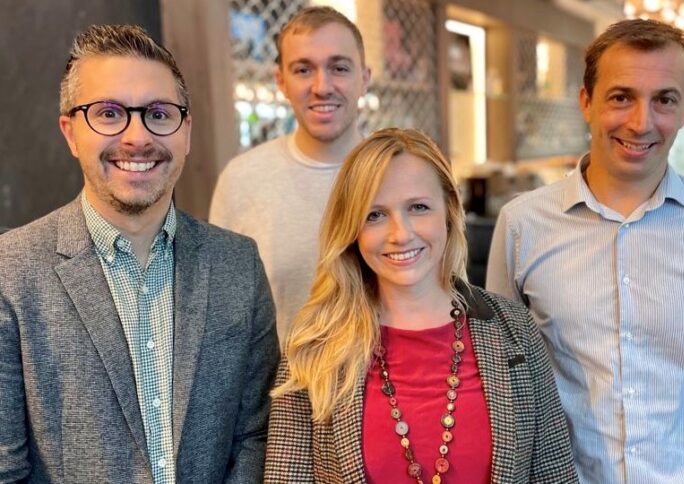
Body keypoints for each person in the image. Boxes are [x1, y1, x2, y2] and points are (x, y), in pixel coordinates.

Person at [486, 19, 684, 483]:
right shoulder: (522, 225)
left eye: (664, 100)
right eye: (622, 97)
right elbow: (506, 367)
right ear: (586, 102)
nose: (641, 123)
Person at [0, 25, 280, 483]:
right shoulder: (11, 271)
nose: (137, 137)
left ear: (185, 131)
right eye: (109, 114)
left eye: (158, 113)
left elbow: (254, 434)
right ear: (70, 133)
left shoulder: (238, 265)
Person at [264, 128, 577, 483]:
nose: (401, 233)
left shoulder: (514, 329)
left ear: (449, 211)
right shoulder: (312, 347)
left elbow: (554, 476)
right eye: (375, 215)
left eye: (418, 207)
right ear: (352, 229)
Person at [209, 6, 371, 342]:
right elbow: (222, 316)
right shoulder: (242, 180)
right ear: (281, 80)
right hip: (281, 391)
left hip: (389, 389)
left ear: (364, 78)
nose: (322, 86)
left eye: (339, 67)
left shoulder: (400, 178)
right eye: (303, 70)